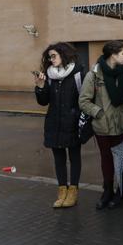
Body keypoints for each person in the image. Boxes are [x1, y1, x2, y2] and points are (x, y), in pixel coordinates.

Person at [79, 40, 123, 210]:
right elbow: (83, 101)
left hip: (122, 125)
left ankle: (120, 192)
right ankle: (107, 191)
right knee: (107, 160)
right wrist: (99, 113)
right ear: (113, 55)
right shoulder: (93, 75)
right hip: (103, 127)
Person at [34, 42, 85, 208]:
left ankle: (73, 192)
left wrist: (79, 117)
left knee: (74, 157)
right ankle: (62, 190)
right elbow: (43, 102)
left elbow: (84, 98)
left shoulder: (77, 73)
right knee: (59, 159)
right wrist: (40, 86)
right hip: (54, 122)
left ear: (63, 55)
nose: (51, 59)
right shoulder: (49, 75)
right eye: (50, 57)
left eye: (54, 55)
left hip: (73, 122)